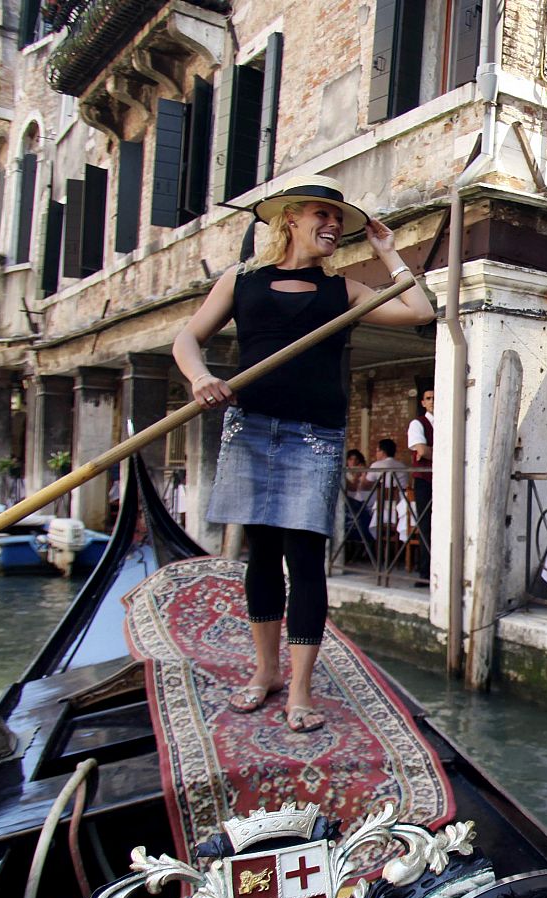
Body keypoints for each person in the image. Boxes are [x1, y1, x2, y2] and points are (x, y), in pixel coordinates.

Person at [173, 174, 435, 732]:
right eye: (322, 214)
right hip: (250, 427)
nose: (333, 225)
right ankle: (265, 672)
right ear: (289, 219)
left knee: (306, 561)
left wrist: (388, 253)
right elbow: (186, 339)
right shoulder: (241, 280)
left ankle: (299, 689)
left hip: (315, 436)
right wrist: (200, 379)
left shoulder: (343, 291)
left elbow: (419, 311)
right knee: (261, 556)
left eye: (339, 218)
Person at [407, 388, 434, 583]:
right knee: (425, 525)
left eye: (435, 398)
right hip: (424, 481)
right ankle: (424, 572)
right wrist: (444, 450)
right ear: (423, 402)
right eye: (428, 398)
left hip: (442, 479)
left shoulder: (447, 421)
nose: (432, 401)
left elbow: (425, 450)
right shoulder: (418, 423)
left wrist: (428, 451)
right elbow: (421, 450)